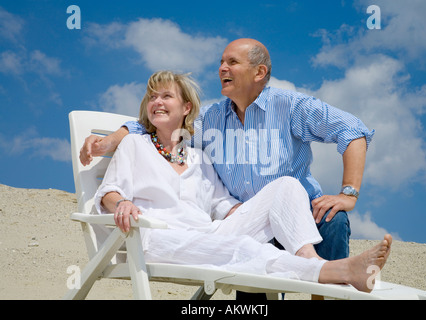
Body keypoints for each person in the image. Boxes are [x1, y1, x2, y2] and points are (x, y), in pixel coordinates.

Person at [94, 70, 392, 294]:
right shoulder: (134, 145)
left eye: (166, 96)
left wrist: (255, 214)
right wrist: (121, 203)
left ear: (186, 108)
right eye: (152, 97)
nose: (157, 102)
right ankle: (337, 271)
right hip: (156, 238)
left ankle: (311, 261)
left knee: (287, 185)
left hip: (206, 234)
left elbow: (223, 204)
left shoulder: (198, 156)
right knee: (247, 249)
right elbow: (109, 191)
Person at [81, 38, 373, 263]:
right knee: (255, 293)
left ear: (259, 72)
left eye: (232, 62)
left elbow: (352, 130)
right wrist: (115, 138)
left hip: (302, 214)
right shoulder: (210, 118)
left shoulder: (291, 107)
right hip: (249, 225)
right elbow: (161, 124)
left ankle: (328, 287)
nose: (222, 68)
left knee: (333, 219)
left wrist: (348, 193)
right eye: (221, 62)